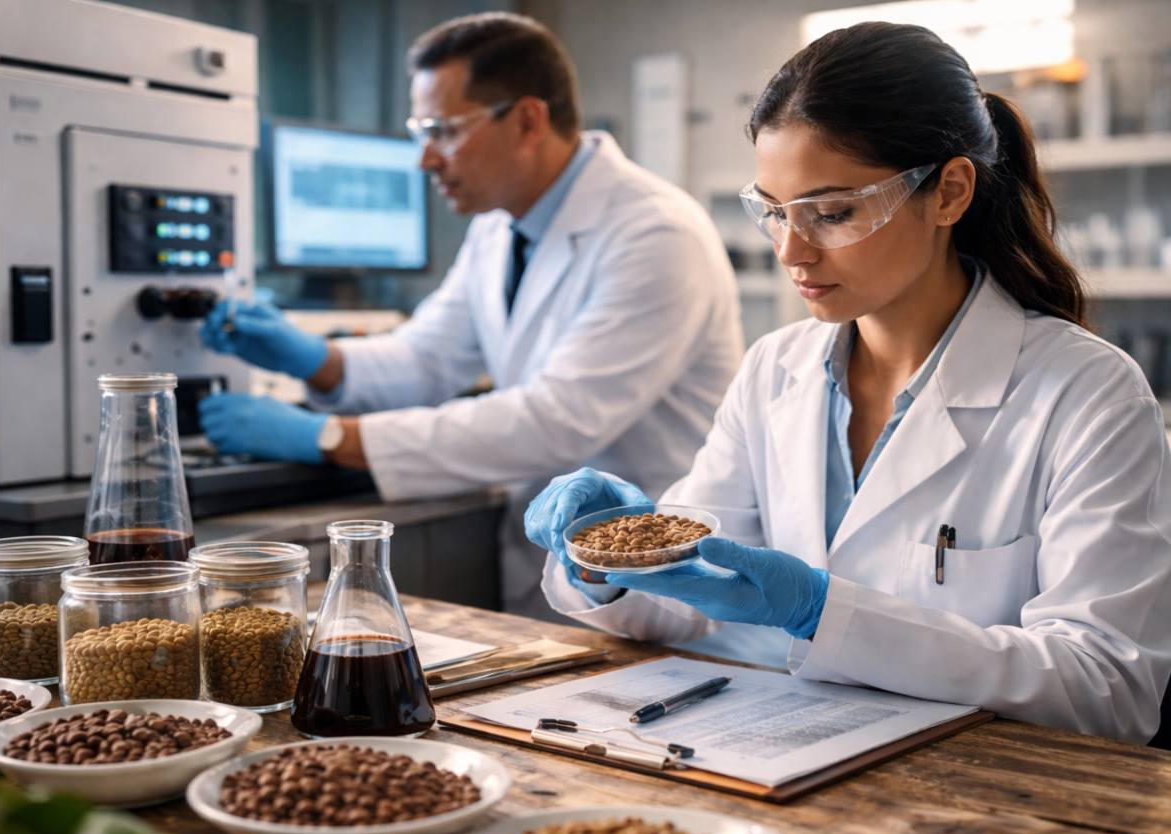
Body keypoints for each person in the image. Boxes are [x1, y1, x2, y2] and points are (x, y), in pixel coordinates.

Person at [524, 22, 1171, 745]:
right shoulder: (776, 369)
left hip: (978, 800)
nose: (792, 251)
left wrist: (824, 613)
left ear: (949, 192)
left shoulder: (1086, 393)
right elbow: (690, 604)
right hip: (773, 760)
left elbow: (1110, 688)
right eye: (773, 211)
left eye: (831, 213)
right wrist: (610, 562)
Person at [197, 12, 744, 618]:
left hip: (659, 582)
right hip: (561, 571)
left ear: (528, 120)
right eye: (420, 132)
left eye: (444, 131)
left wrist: (326, 437)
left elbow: (559, 420)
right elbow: (428, 356)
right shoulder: (498, 225)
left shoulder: (655, 233)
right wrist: (315, 359)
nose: (425, 160)